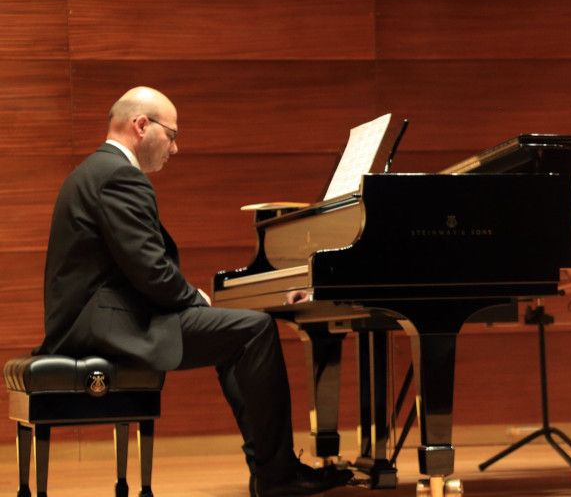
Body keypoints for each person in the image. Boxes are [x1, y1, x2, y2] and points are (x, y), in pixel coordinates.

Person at [37, 86, 352, 497]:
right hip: (103, 327)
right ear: (141, 126)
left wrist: (197, 301)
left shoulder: (95, 171)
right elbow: (150, 270)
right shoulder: (118, 176)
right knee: (254, 331)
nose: (175, 147)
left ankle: (271, 468)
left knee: (238, 334)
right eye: (171, 134)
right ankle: (277, 474)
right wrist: (196, 299)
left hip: (95, 320)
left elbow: (139, 268)